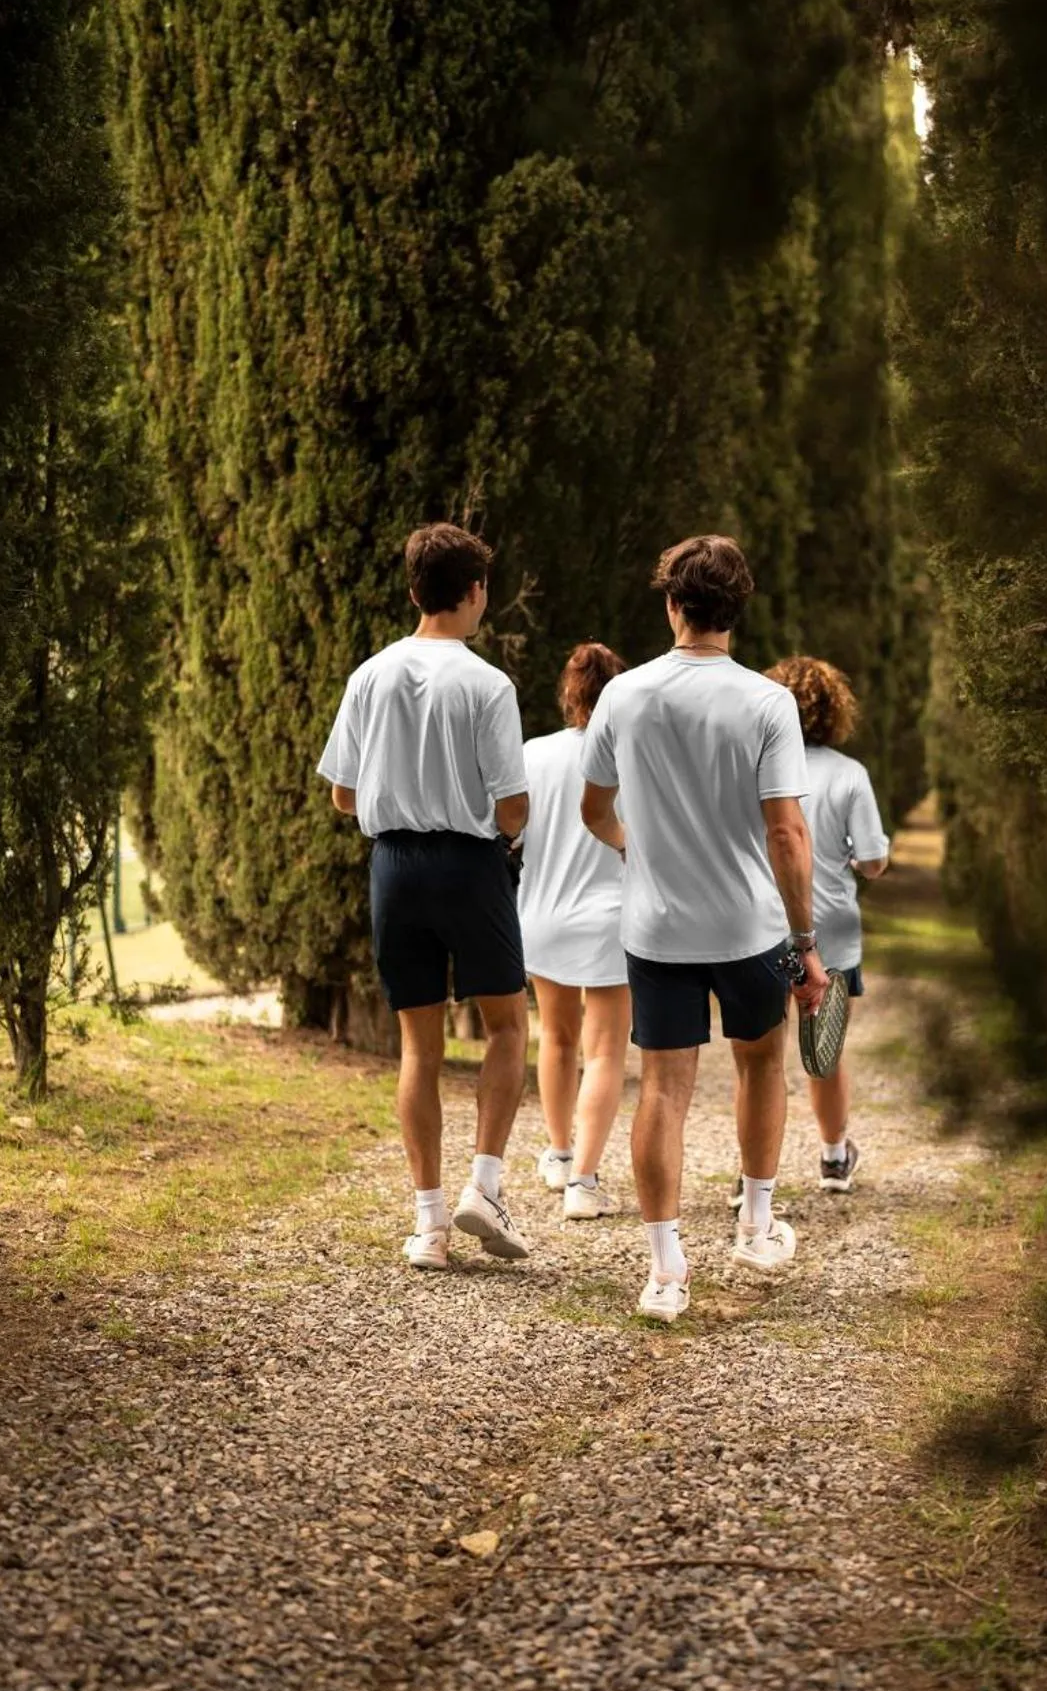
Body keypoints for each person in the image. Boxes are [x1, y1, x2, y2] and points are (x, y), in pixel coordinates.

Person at [580, 534, 828, 1323]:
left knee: (661, 1089)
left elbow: (594, 810)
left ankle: (664, 1273)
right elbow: (786, 833)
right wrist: (806, 943)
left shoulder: (623, 695)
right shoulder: (765, 702)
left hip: (654, 928)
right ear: (737, 610)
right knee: (761, 1067)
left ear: (670, 603)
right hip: (749, 928)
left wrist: (637, 848)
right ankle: (754, 1227)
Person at [316, 522, 533, 1271]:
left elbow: (343, 796)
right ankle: (486, 1185)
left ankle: (429, 1226)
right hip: (468, 864)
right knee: (506, 1027)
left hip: (393, 866)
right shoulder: (487, 683)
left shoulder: (367, 676)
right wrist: (506, 836)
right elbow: (511, 805)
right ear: (474, 593)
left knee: (418, 1045)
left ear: (413, 591)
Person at [760, 656, 888, 1192]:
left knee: (762, 1052)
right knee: (825, 1044)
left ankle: (755, 1168)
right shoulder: (850, 774)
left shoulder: (757, 764)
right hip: (831, 925)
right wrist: (859, 859)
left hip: (765, 921)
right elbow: (875, 859)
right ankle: (834, 1158)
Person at [520, 642, 631, 1219]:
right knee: (606, 1050)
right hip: (611, 919)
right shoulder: (634, 757)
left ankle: (560, 1153)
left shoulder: (532, 754)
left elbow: (510, 829)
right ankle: (584, 1185)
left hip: (541, 915)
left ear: (568, 694)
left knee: (556, 1039)